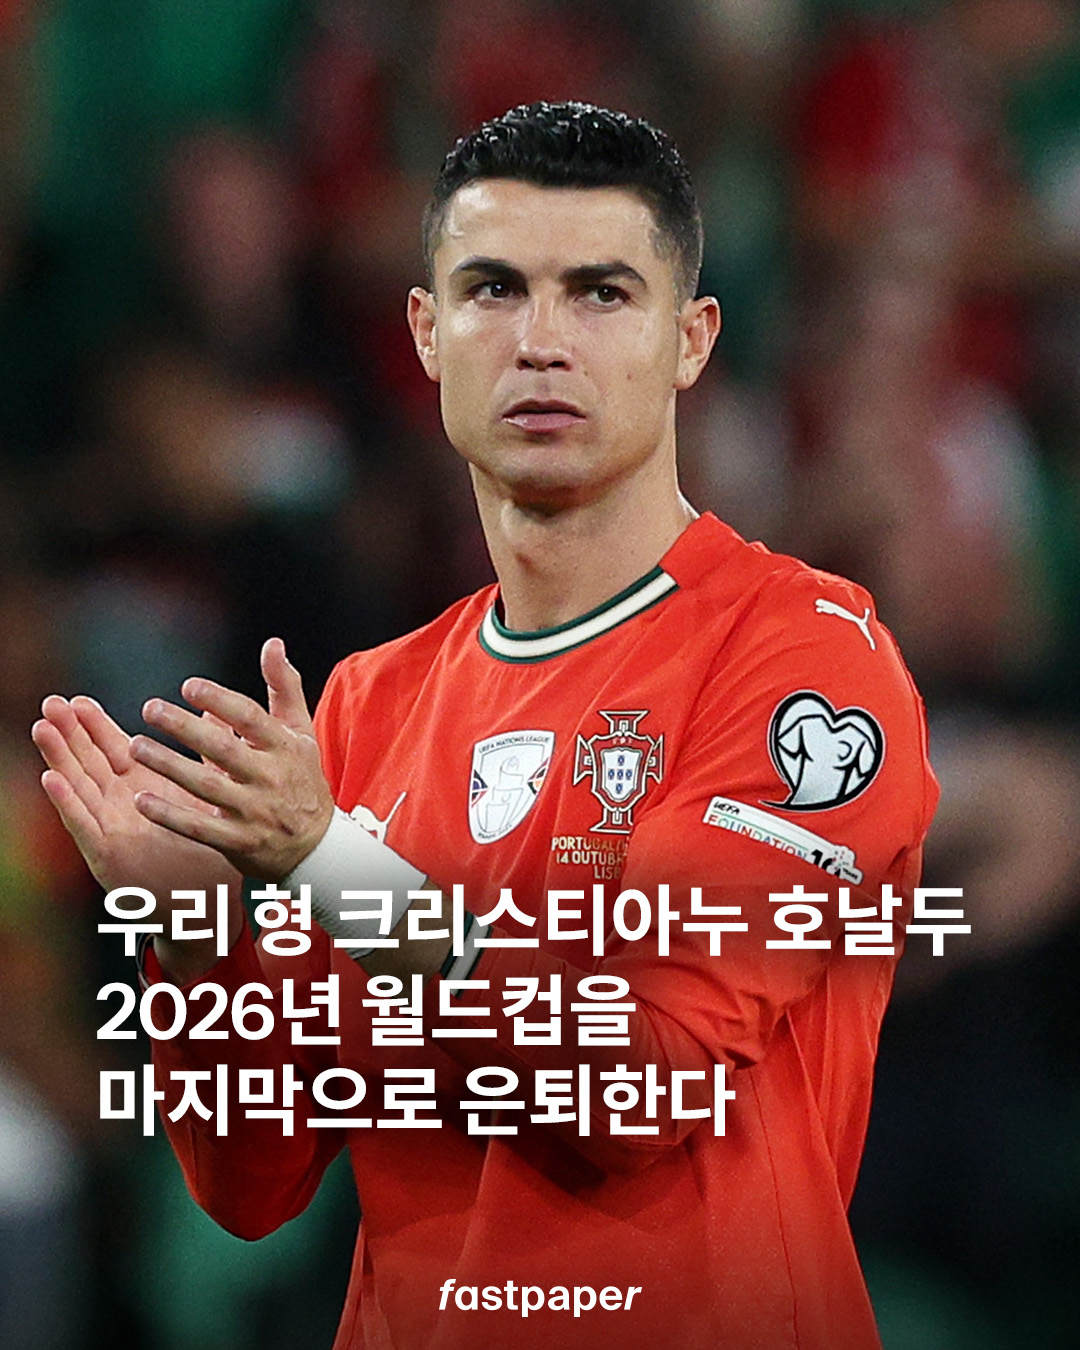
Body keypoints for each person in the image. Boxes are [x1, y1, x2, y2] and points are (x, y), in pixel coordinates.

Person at [33, 102, 939, 1350]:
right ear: (426, 332)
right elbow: (253, 1186)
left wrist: (330, 862)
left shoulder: (804, 663)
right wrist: (191, 933)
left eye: (601, 293)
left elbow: (644, 1085)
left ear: (690, 341)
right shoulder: (368, 704)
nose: (541, 343)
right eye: (495, 288)